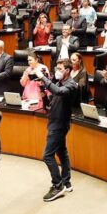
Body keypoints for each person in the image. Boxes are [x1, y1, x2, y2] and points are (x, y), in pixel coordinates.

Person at [37, 58, 78, 201]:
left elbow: (59, 92)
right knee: (62, 152)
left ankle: (58, 185)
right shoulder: (59, 82)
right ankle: (66, 182)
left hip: (59, 124)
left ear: (67, 70)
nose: (57, 71)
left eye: (60, 69)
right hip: (54, 120)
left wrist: (43, 78)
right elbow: (51, 103)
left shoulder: (71, 84)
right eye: (56, 68)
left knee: (47, 156)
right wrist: (43, 93)